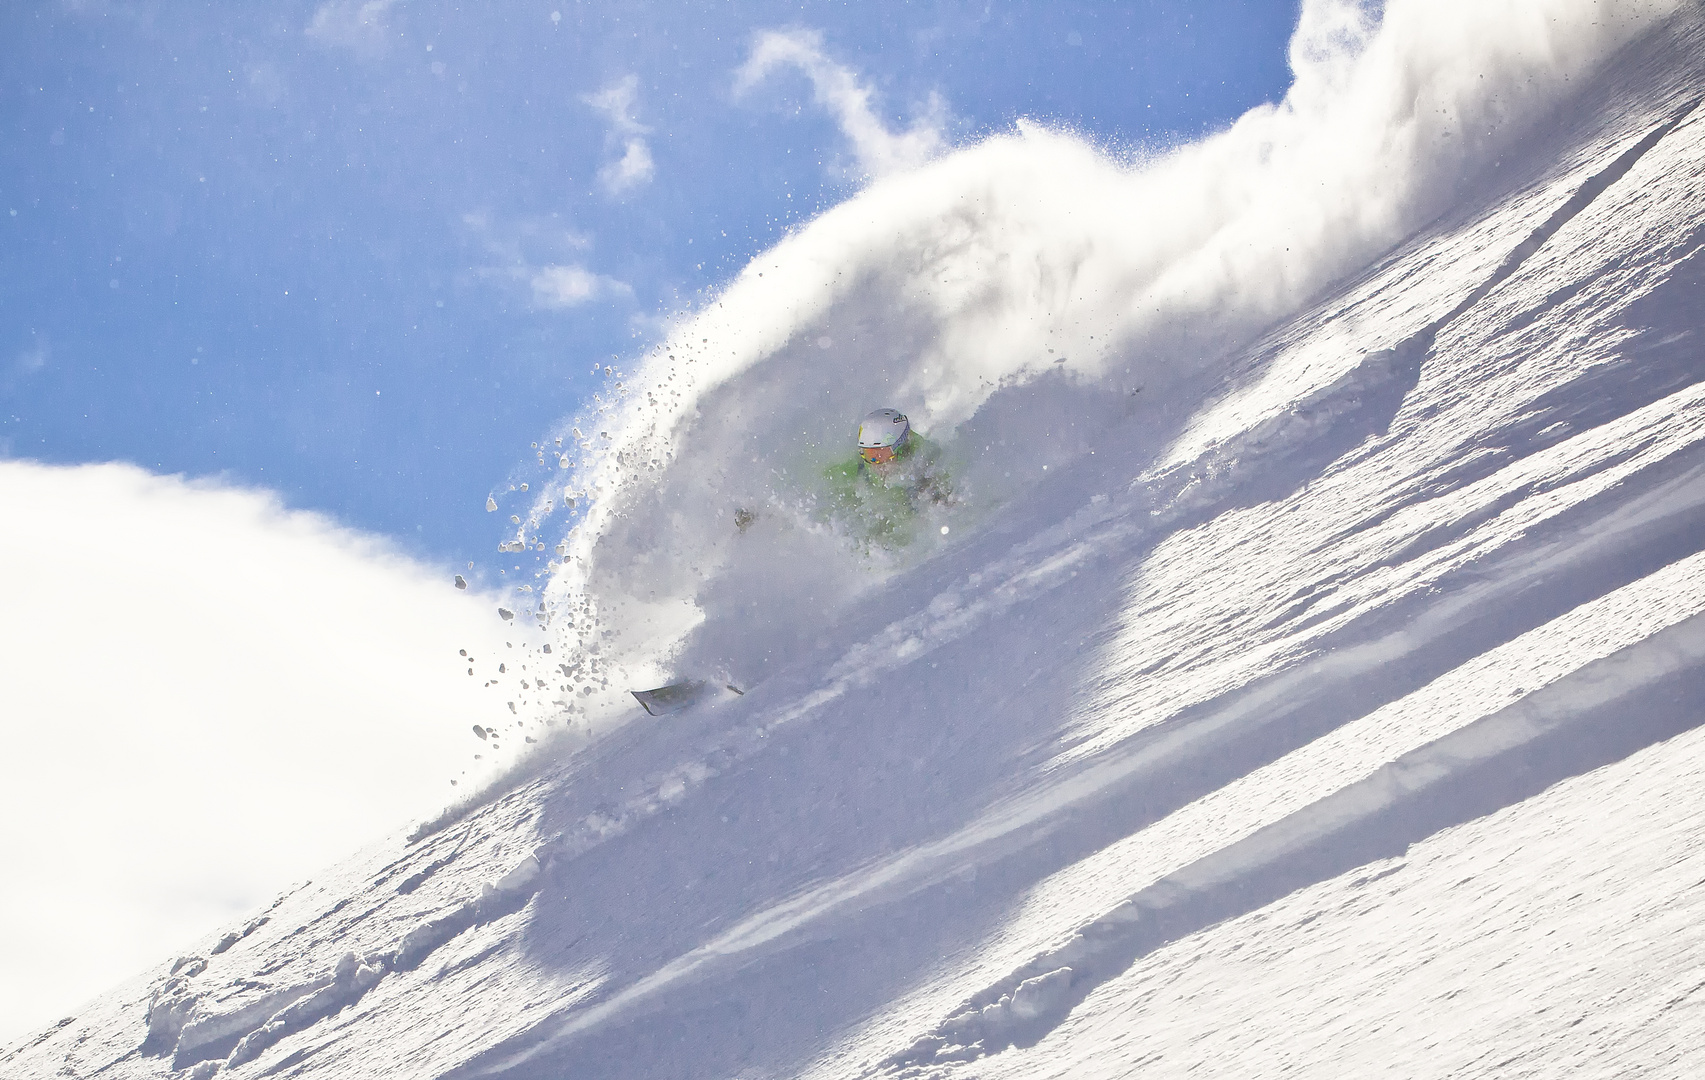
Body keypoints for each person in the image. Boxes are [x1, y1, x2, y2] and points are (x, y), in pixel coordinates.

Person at [820, 408, 953, 548]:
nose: (876, 464)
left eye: (881, 455)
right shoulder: (859, 467)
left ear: (901, 448)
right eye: (868, 454)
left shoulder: (927, 466)